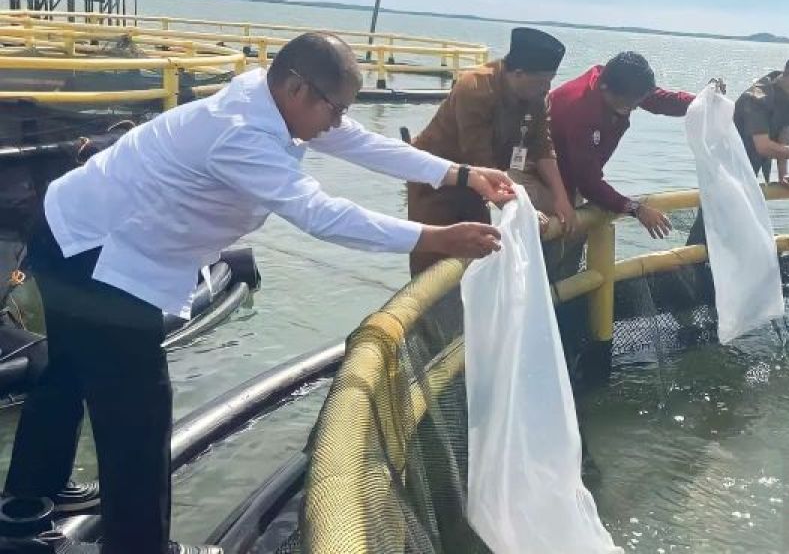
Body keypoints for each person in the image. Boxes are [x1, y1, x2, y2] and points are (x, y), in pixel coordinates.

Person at [2, 32, 513, 554]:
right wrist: (434, 236)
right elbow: (320, 214)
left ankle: (23, 508)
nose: (337, 122)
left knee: (64, 374)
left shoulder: (269, 99)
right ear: (297, 87)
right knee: (138, 409)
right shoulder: (241, 133)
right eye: (333, 109)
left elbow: (359, 141)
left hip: (75, 225)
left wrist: (462, 174)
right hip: (98, 253)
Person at [408, 27, 575, 276]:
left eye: (550, 80)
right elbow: (477, 155)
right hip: (435, 182)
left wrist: (561, 199)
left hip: (481, 186)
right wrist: (523, 207)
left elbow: (542, 146)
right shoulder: (474, 88)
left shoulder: (536, 97)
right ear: (518, 74)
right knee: (431, 263)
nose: (547, 88)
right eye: (543, 81)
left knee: (482, 251)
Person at [687, 51, 789, 247]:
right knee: (707, 228)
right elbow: (763, 146)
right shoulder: (756, 97)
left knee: (734, 230)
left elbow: (785, 130)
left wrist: (783, 173)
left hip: (749, 168)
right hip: (724, 170)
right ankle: (688, 268)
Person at [549, 51, 695, 239]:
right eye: (629, 103)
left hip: (573, 176)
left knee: (575, 239)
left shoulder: (619, 83)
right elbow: (589, 182)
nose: (634, 107)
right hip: (541, 174)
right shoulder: (579, 113)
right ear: (605, 88)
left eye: (638, 102)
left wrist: (703, 101)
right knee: (553, 238)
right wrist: (636, 208)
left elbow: (661, 100)